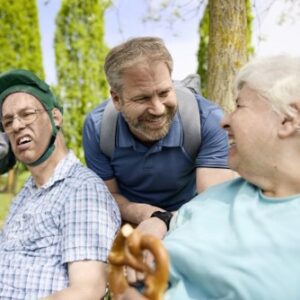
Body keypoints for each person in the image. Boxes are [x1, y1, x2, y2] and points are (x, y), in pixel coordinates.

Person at [117, 54, 300, 300]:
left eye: (239, 105)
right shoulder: (219, 195)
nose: (224, 121)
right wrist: (159, 220)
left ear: (288, 118)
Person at [83, 36, 234, 238]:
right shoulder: (98, 128)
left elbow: (212, 203)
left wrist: (165, 221)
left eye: (164, 93)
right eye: (142, 98)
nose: (158, 109)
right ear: (117, 99)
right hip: (129, 220)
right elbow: (108, 196)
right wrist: (148, 215)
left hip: (192, 219)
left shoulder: (208, 119)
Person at [0, 69, 121, 299]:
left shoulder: (82, 190)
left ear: (56, 118)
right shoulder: (26, 194)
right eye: (8, 121)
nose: (16, 126)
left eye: (27, 114)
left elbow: (86, 291)